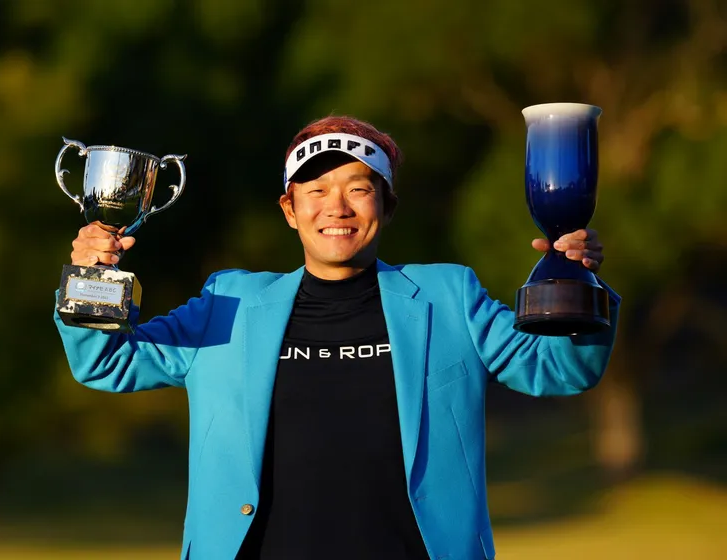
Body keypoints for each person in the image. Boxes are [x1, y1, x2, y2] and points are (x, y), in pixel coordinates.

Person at [54, 116, 620, 560]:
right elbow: (106, 363)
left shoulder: (449, 296)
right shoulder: (229, 303)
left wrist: (576, 284)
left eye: (359, 188)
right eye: (317, 189)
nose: (337, 207)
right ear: (289, 209)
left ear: (387, 206)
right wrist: (90, 278)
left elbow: (561, 369)